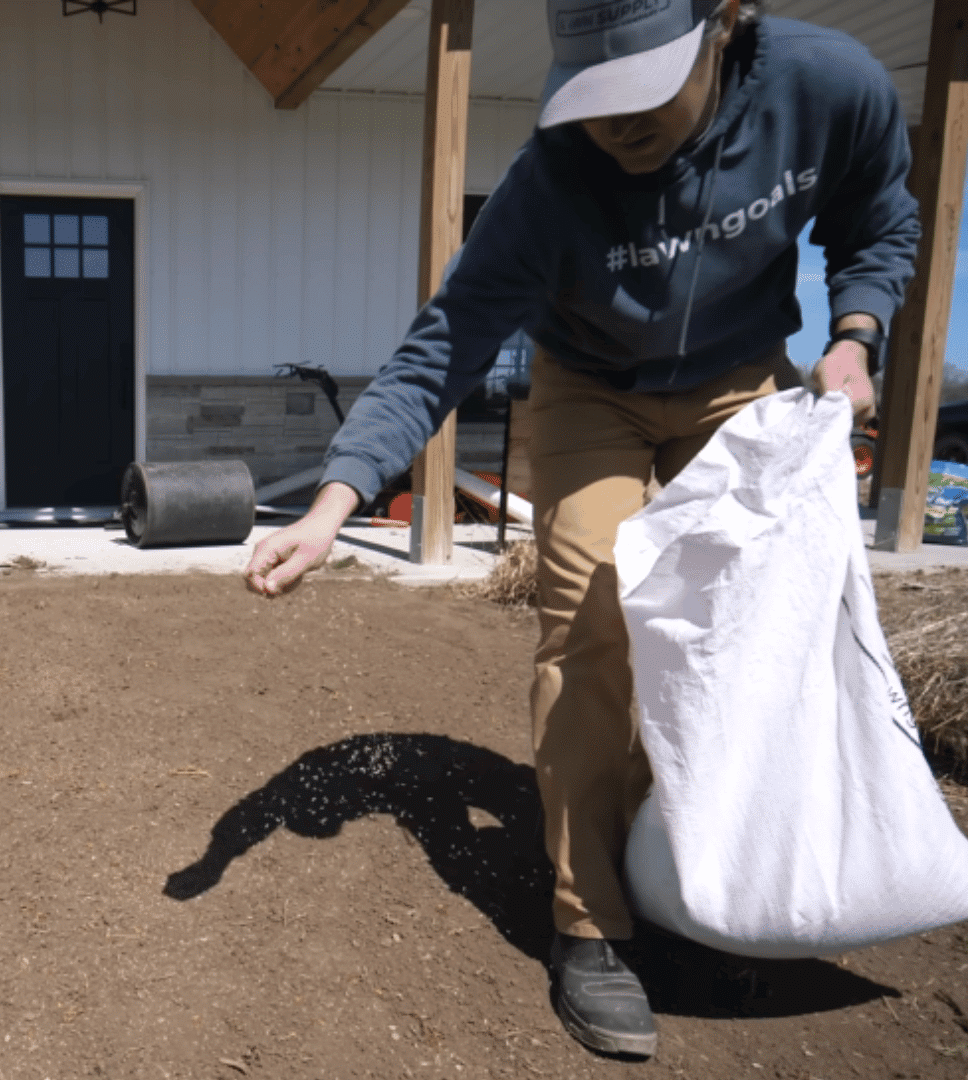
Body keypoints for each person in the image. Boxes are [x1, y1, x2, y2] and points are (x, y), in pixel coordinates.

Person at [242, 0, 919, 1059]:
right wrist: (334, 504)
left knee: (742, 630)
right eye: (595, 95)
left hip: (738, 376)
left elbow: (877, 221)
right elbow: (443, 348)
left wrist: (855, 335)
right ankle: (591, 921)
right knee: (592, 618)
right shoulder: (551, 179)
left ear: (722, 25)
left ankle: (706, 876)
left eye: (645, 87)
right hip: (589, 388)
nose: (619, 121)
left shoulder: (826, 87)